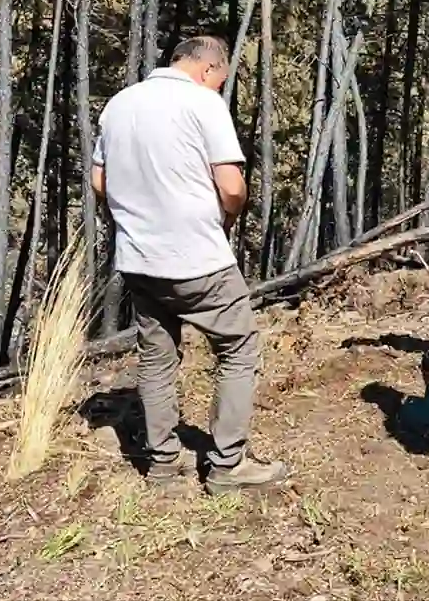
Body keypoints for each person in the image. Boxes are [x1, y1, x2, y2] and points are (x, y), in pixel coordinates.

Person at [91, 36, 287, 495]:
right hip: (198, 259)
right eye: (219, 81)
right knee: (238, 347)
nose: (218, 89)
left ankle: (163, 465)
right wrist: (228, 218)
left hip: (139, 260)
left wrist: (137, 217)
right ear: (207, 70)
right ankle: (226, 468)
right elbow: (233, 186)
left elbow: (100, 180)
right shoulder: (202, 103)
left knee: (157, 359)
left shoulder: (119, 105)